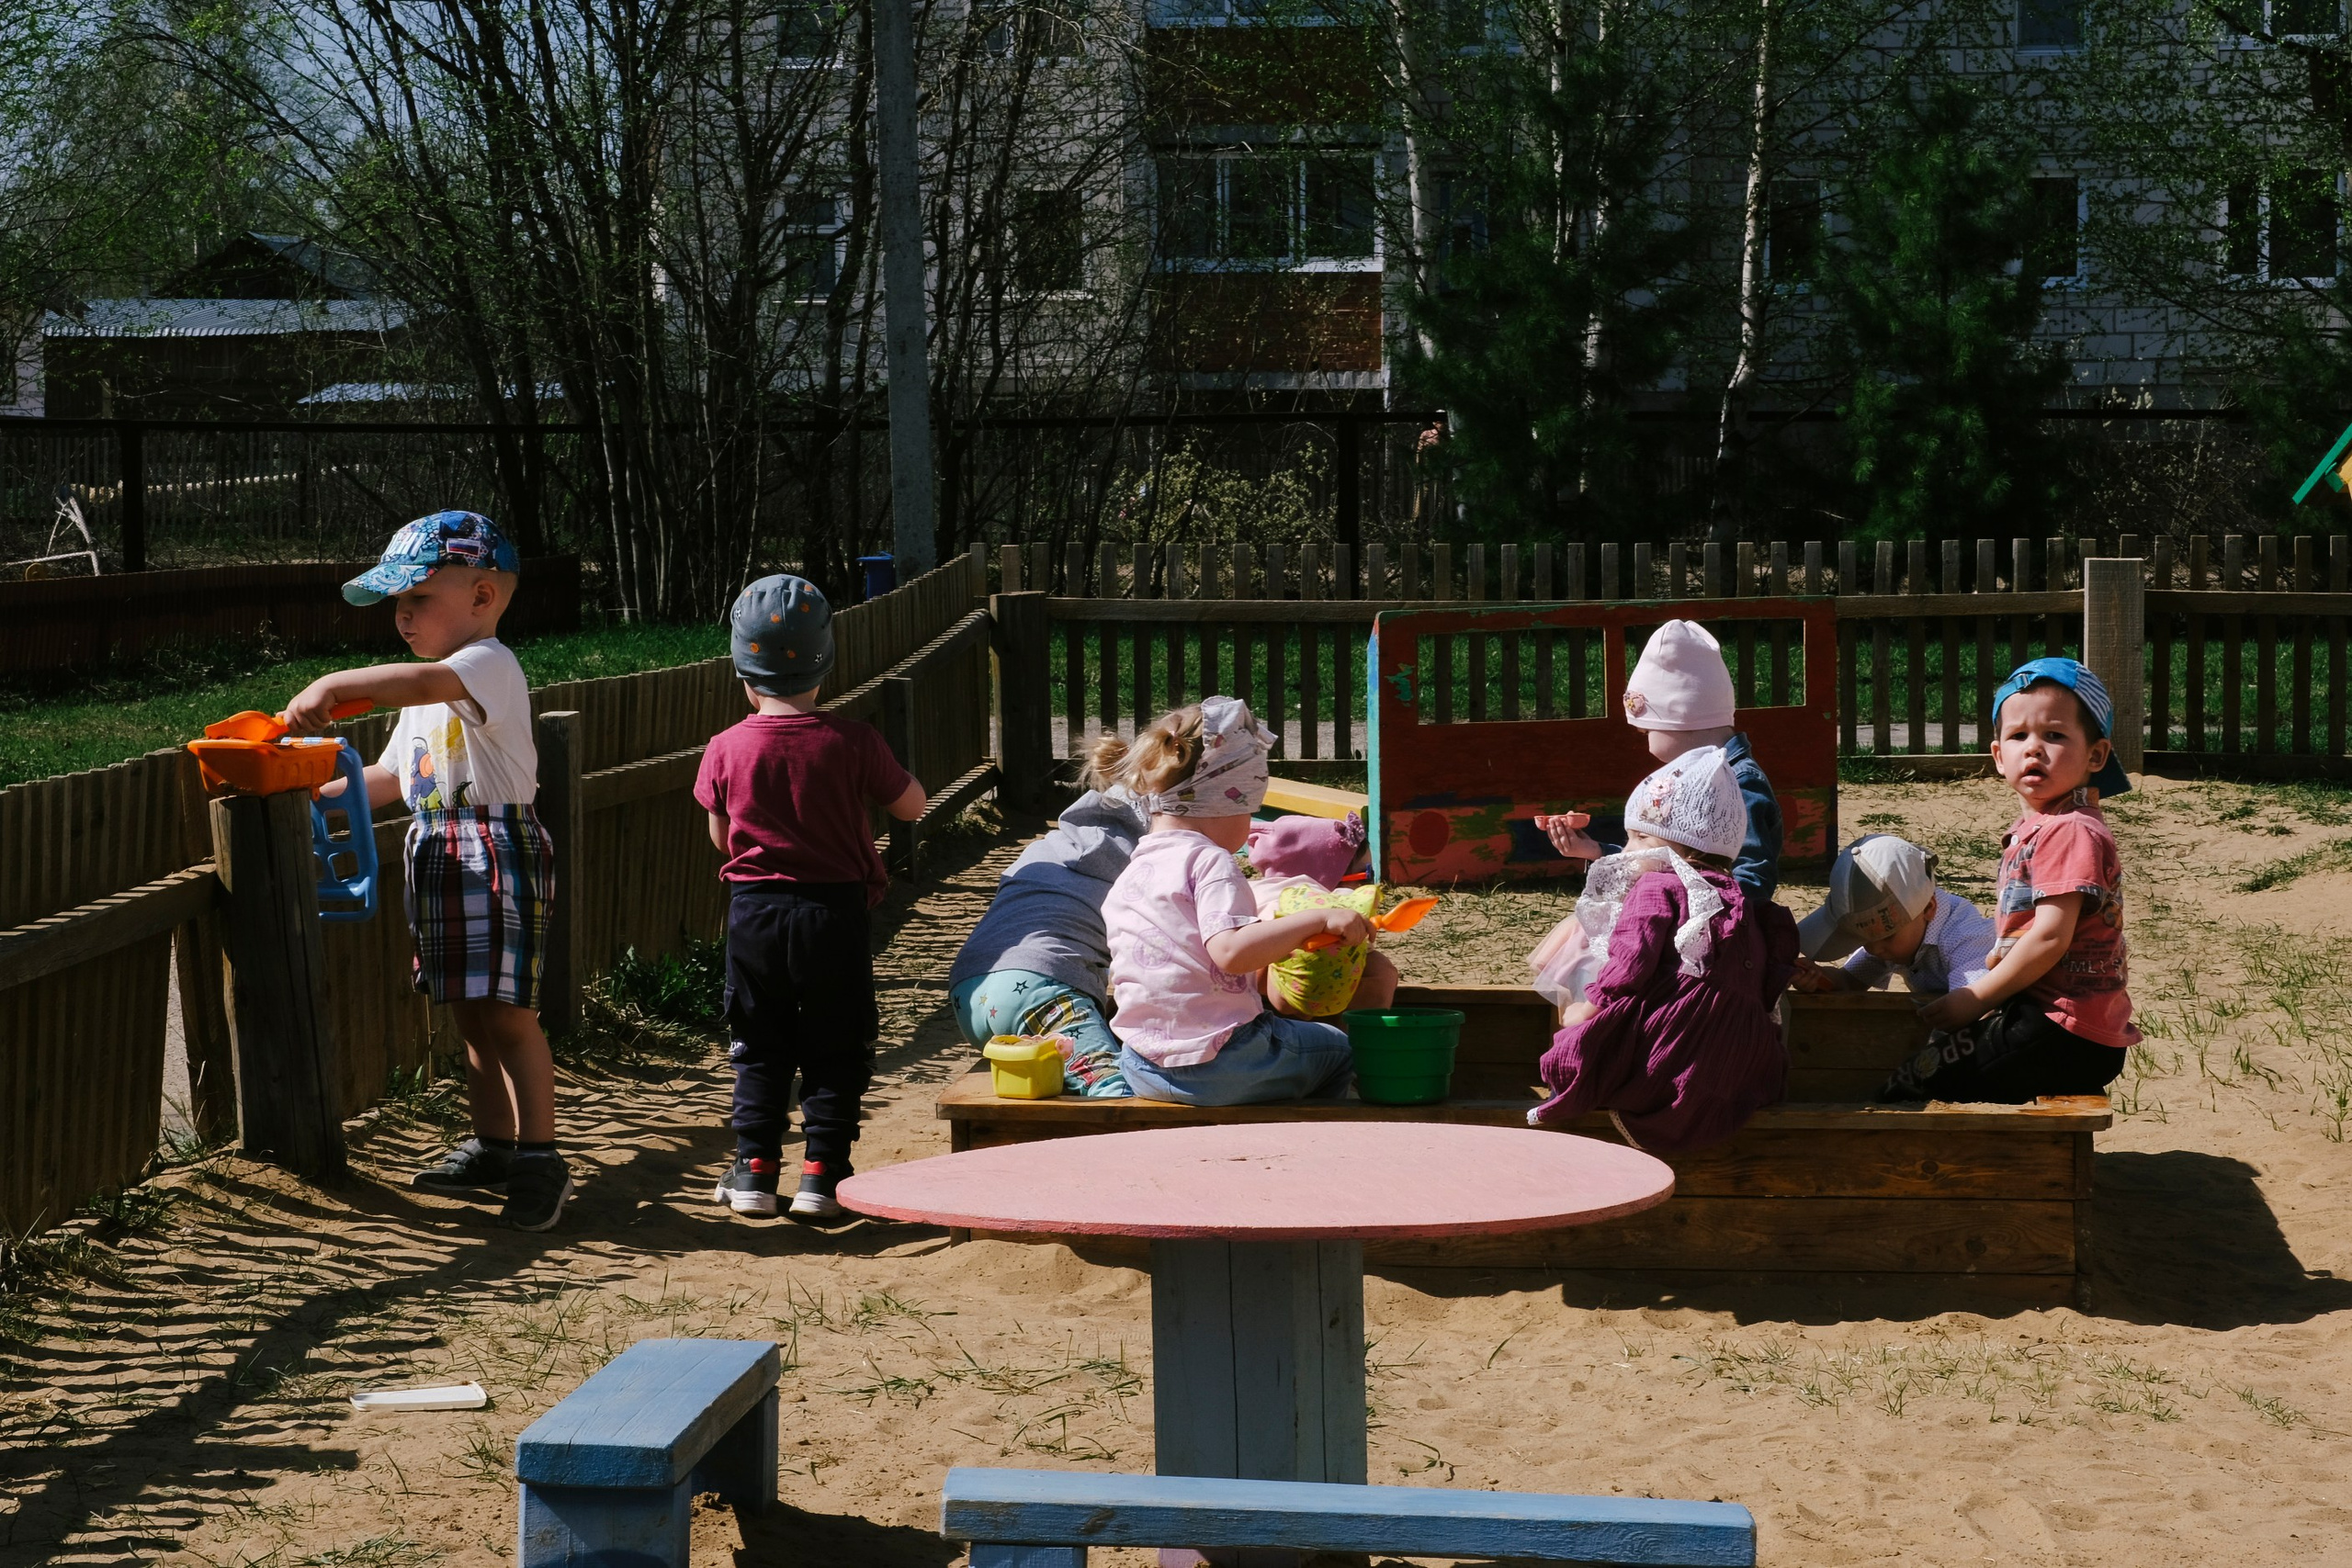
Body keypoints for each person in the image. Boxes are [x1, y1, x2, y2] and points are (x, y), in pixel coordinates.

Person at [282, 511, 571, 1230]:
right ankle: (494, 1144)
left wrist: (335, 685)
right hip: (438, 845)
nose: (403, 615)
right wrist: (308, 790)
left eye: (419, 598)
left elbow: (412, 680)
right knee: (471, 1014)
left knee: (509, 1013)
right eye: (398, 603)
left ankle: (542, 1157)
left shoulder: (484, 666)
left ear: (481, 597)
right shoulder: (429, 697)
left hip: (495, 847)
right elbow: (390, 774)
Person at [695, 574, 927, 1220]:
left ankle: (755, 1170)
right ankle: (823, 1173)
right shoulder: (853, 741)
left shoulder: (724, 748)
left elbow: (723, 839)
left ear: (742, 668)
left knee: (760, 1041)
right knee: (836, 1041)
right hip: (834, 914)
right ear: (826, 662)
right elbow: (913, 804)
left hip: (754, 913)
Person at [1881, 658, 2135, 1103]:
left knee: (1917, 1077)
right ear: (1999, 756)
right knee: (1935, 1065)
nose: (2034, 748)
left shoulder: (2069, 829)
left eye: (2054, 735)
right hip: (2048, 1019)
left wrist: (1976, 998)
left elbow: (2050, 939)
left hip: (2062, 1029)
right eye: (2019, 736)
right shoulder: (2044, 826)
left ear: (2096, 754)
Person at [1527, 747, 1800, 1154]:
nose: (1628, 848)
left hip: (1669, 1060)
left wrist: (1589, 1009)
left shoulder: (1658, 888)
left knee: (1576, 1042)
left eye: (1638, 837)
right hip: (1737, 1065)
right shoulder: (1736, 900)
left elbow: (1631, 963)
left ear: (1677, 849)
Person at [1097, 697, 1367, 1106]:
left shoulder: (1135, 870)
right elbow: (1232, 952)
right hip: (1222, 1064)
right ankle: (1306, 1142)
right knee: (1339, 1050)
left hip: (1144, 1065)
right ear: (1221, 804)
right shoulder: (1210, 861)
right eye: (1249, 811)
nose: (1251, 825)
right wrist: (1318, 919)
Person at [1539, 619, 1783, 902]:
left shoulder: (1739, 782)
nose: (1646, 742)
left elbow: (1750, 880)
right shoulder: (1692, 777)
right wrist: (1597, 851)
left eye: (1647, 731)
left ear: (1681, 720)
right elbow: (1671, 860)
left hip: (1717, 937)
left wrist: (1688, 913)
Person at [945, 777, 1150, 1099]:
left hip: (969, 991)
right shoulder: (1143, 868)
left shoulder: (1045, 848)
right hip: (1042, 991)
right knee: (1113, 1092)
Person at [1788, 833, 1997, 1002]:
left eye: (1887, 936)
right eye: (1863, 939)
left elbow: (1977, 1001)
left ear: (1929, 908)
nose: (1875, 949)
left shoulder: (1964, 937)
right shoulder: (1896, 937)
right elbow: (1848, 981)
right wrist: (1819, 979)